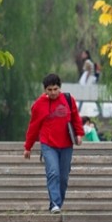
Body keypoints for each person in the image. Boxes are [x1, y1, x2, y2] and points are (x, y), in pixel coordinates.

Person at [24, 73, 84, 213]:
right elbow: (33, 127)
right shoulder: (39, 105)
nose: (53, 92)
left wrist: (79, 134)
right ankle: (54, 204)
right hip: (48, 144)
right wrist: (28, 147)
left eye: (55, 89)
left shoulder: (68, 100)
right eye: (49, 90)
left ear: (60, 88)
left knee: (63, 177)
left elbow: (75, 118)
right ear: (45, 90)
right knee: (53, 173)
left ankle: (58, 203)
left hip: (66, 144)